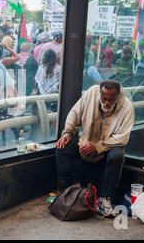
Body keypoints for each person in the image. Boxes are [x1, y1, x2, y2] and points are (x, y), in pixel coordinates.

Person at [56, 80, 135, 217]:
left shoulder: (127, 107)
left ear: (118, 96)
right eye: (104, 98)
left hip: (109, 145)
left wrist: (98, 147)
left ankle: (105, 199)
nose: (107, 102)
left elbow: (122, 138)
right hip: (86, 141)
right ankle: (66, 192)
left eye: (111, 99)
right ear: (99, 93)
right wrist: (68, 132)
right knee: (63, 147)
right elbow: (75, 112)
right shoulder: (91, 93)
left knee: (117, 156)